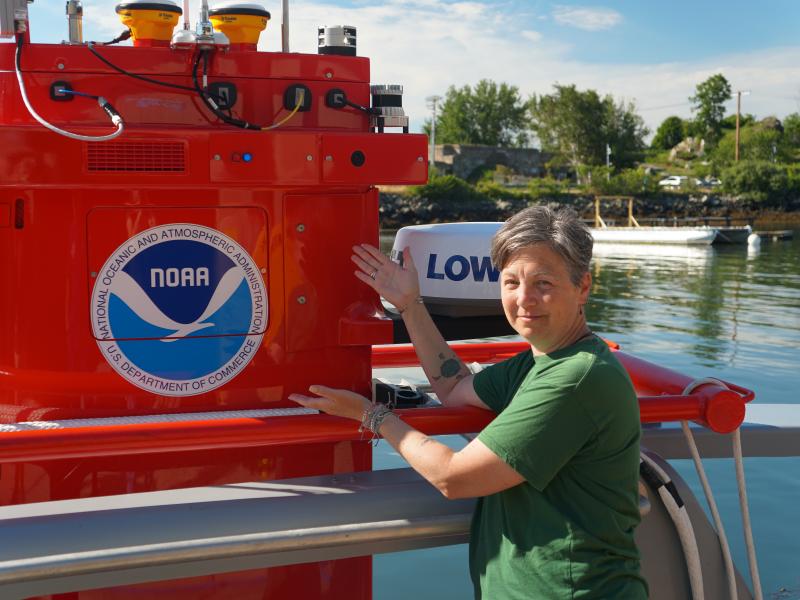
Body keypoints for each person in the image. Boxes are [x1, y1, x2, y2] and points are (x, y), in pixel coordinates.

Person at [290, 206, 648, 599]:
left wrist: (372, 416)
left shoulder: (576, 379)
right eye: (511, 282)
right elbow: (453, 384)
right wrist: (410, 305)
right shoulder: (537, 363)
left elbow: (455, 478)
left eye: (543, 283)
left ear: (583, 287)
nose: (524, 299)